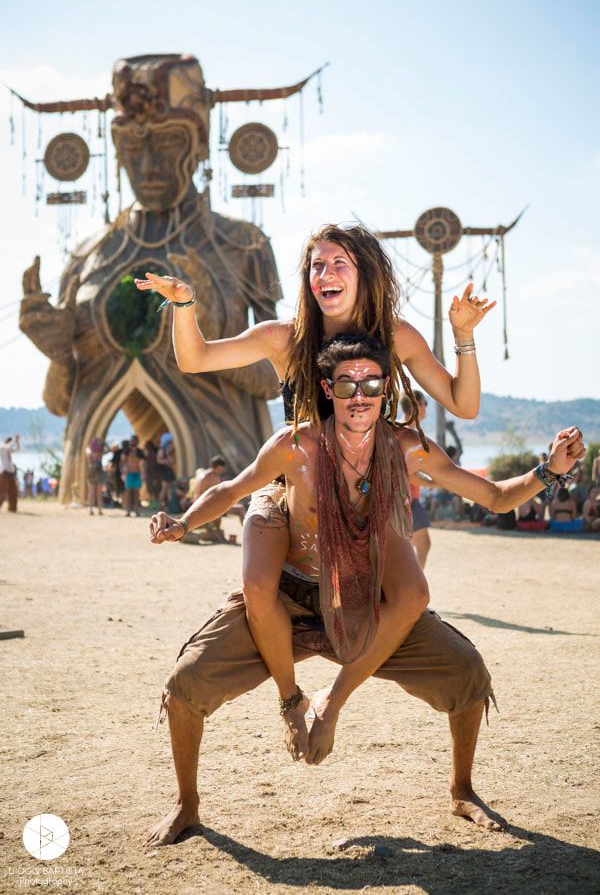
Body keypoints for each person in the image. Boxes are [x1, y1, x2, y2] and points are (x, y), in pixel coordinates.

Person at [146, 333, 584, 847]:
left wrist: (549, 471)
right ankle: (187, 804)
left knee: (466, 673)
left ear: (385, 390)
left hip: (362, 602)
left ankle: (461, 789)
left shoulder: (405, 449)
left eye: (371, 382)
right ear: (327, 389)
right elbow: (230, 490)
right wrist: (182, 522)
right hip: (285, 602)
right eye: (347, 383)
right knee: (186, 684)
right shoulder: (295, 446)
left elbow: (493, 496)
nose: (360, 394)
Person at [136, 223, 495, 739]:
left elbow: (465, 404)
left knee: (413, 594)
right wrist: (185, 303)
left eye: (338, 263)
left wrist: (463, 335)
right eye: (316, 265)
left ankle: (344, 696)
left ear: (365, 274)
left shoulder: (397, 337)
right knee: (257, 583)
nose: (324, 274)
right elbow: (195, 359)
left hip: (363, 496)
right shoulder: (283, 338)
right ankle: (289, 697)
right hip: (289, 490)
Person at [400, 390, 431, 566]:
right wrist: (434, 482)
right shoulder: (409, 434)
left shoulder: (401, 430)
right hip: (409, 500)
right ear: (416, 405)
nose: (426, 407)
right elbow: (408, 473)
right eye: (425, 402)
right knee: (423, 545)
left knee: (411, 549)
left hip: (406, 500)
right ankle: (412, 588)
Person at [121, 434, 145, 517]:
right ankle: (128, 510)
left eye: (133, 441)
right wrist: (123, 473)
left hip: (137, 473)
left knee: (136, 493)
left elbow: (142, 463)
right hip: (129, 473)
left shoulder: (140, 452)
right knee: (128, 492)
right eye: (131, 441)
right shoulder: (126, 451)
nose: (132, 442)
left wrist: (142, 473)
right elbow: (123, 461)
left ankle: (136, 510)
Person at [85, 437, 106, 515]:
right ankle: (97, 509)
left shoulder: (89, 451)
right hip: (96, 472)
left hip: (94, 472)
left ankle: (92, 509)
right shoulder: (98, 452)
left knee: (93, 492)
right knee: (96, 493)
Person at [0, 435, 20, 513]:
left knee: (13, 491)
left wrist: (17, 442)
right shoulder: (2, 448)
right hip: (4, 473)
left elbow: (17, 449)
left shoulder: (8, 449)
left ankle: (12, 507)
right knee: (2, 491)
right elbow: (7, 446)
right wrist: (15, 440)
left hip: (11, 473)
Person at [157, 433, 176, 511]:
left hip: (168, 470)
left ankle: (170, 504)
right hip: (164, 471)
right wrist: (166, 461)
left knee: (171, 487)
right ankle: (160, 505)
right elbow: (159, 460)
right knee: (164, 488)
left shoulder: (168, 449)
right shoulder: (162, 449)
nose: (171, 444)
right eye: (170, 442)